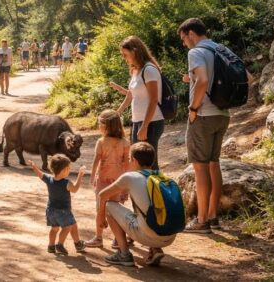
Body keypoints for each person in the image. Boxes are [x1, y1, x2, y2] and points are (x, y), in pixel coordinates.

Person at [178, 18, 238, 233]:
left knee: (200, 167)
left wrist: (193, 109)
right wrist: (191, 79)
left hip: (203, 115)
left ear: (191, 33)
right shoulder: (221, 48)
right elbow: (246, 77)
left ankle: (201, 220)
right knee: (214, 164)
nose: (184, 44)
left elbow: (203, 80)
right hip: (223, 113)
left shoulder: (196, 52)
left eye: (184, 39)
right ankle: (212, 216)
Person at [97, 142, 176, 267]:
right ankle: (155, 249)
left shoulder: (130, 177)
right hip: (170, 236)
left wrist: (101, 216)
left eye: (129, 159)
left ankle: (124, 254)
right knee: (145, 206)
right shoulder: (162, 177)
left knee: (110, 206)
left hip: (148, 235)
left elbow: (102, 195)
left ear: (134, 160)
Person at [109, 36, 164, 170]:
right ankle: (141, 189)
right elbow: (130, 94)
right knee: (136, 161)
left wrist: (145, 125)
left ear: (134, 51)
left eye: (125, 54)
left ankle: (155, 190)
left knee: (149, 163)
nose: (124, 58)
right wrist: (117, 113)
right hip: (137, 121)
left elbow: (153, 99)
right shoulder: (135, 69)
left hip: (151, 122)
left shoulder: (149, 69)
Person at [84, 110, 130, 248]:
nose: (99, 126)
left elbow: (96, 160)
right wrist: (126, 185)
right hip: (118, 182)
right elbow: (126, 164)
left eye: (100, 124)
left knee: (100, 209)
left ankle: (99, 238)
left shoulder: (102, 142)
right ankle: (117, 239)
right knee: (116, 210)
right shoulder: (125, 142)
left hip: (103, 181)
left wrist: (92, 176)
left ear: (106, 126)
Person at [28, 154, 87, 255]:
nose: (69, 170)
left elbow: (40, 174)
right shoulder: (66, 183)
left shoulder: (49, 179)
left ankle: (51, 246)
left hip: (50, 210)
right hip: (63, 211)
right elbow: (75, 189)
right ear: (64, 170)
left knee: (55, 228)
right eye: (68, 168)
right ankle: (60, 244)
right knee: (68, 226)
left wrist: (34, 166)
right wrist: (80, 175)